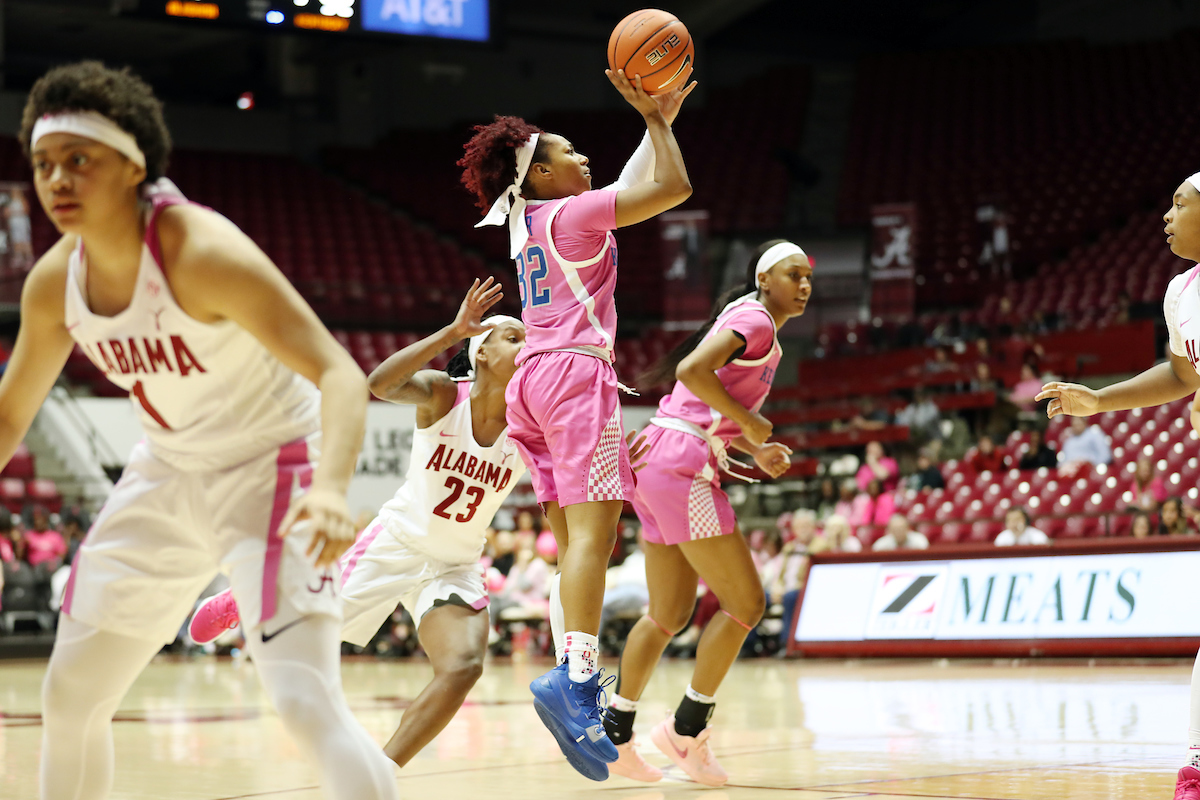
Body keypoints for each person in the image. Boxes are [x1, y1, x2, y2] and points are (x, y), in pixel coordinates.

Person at [7, 62, 398, 800]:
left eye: (78, 160)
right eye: (43, 164)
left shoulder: (201, 251)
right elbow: (6, 415)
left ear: (132, 164)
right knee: (69, 695)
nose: (57, 180)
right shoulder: (52, 282)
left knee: (303, 702)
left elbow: (341, 374)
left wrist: (334, 490)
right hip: (166, 468)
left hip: (270, 464)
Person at [458, 68, 696, 781]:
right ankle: (579, 678)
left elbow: (620, 179)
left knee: (572, 548)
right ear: (538, 173)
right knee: (596, 537)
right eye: (568, 153)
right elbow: (673, 189)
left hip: (531, 382)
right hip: (573, 376)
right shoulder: (572, 214)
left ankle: (575, 683)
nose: (583, 159)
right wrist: (656, 122)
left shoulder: (528, 221)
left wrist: (663, 119)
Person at [189, 282, 531, 768]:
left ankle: (380, 775)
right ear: (481, 352)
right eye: (513, 337)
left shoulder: (528, 427)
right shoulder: (442, 395)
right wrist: (452, 332)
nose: (527, 343)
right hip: (395, 543)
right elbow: (380, 383)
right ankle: (246, 595)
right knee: (303, 631)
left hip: (454, 563)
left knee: (464, 667)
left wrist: (624, 465)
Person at [602, 238, 810, 786]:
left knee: (666, 614)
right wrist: (751, 423)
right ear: (765, 280)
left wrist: (752, 446)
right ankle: (686, 731)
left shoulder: (752, 324)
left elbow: (700, 407)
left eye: (809, 277)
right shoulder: (757, 320)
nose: (805, 284)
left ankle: (615, 732)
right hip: (679, 465)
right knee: (746, 604)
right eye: (794, 274)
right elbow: (692, 372)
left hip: (656, 457)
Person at [1036, 169, 1200, 798]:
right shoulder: (1179, 293)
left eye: (1180, 203)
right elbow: (1185, 377)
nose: (1166, 215)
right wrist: (1099, 401)